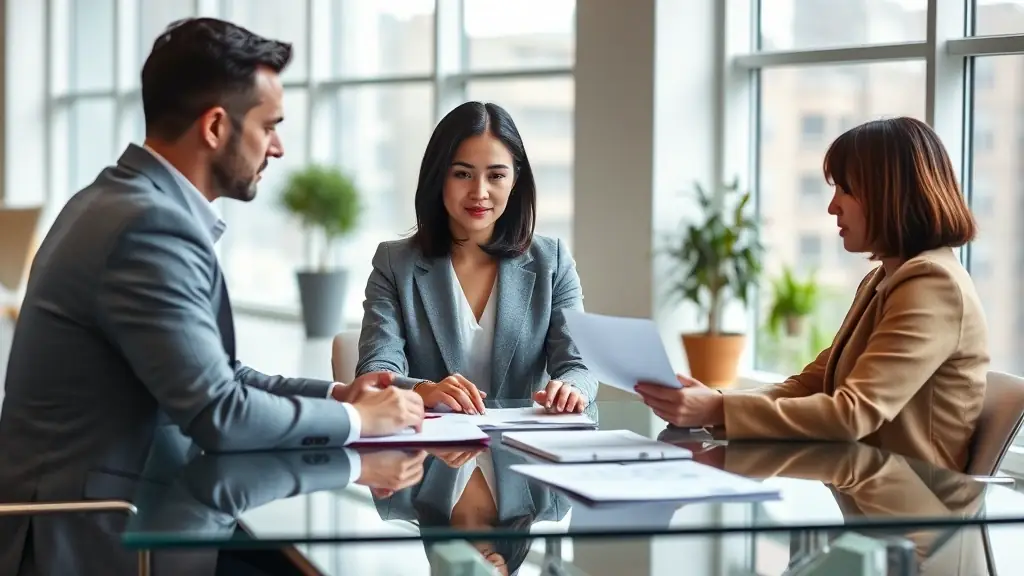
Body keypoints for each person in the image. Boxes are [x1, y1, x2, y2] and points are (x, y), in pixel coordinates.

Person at [0, 17, 423, 576]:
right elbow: (220, 413)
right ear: (216, 126)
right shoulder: (147, 226)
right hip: (92, 542)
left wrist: (342, 397)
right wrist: (361, 424)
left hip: (124, 515)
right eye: (269, 126)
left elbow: (219, 378)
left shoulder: (115, 200)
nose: (278, 147)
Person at [637, 116, 988, 471]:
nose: (832, 206)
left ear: (889, 193)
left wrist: (716, 409)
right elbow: (813, 383)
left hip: (914, 512)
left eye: (845, 190)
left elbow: (853, 414)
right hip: (866, 491)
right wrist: (715, 401)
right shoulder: (883, 278)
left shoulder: (932, 283)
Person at [355, 101, 597, 414]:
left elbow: (580, 366)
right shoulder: (394, 263)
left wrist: (571, 387)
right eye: (462, 174)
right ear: (438, 177)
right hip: (428, 453)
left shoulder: (552, 261)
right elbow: (375, 371)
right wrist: (422, 389)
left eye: (496, 176)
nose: (479, 192)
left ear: (515, 180)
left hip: (522, 451)